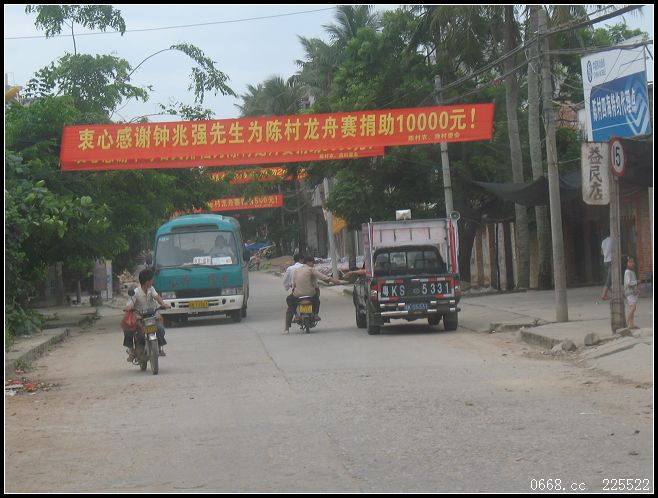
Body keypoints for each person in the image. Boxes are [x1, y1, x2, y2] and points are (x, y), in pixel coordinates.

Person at [284, 255, 341, 334]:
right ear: (307, 262)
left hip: (297, 294)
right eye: (312, 262)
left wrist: (294, 290)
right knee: (317, 300)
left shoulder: (296, 271)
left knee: (289, 299)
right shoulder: (311, 269)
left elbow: (294, 284)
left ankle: (296, 315)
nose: (313, 264)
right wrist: (335, 281)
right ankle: (316, 314)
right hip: (309, 294)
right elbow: (323, 277)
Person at [123, 268, 171, 361]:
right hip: (139, 318)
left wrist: (163, 304)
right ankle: (132, 351)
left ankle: (159, 348)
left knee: (160, 329)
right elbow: (130, 303)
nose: (153, 281)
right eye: (151, 279)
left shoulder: (151, 289)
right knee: (128, 330)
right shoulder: (136, 292)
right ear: (147, 282)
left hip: (152, 316)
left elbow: (157, 297)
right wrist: (128, 307)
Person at [623, 256, 640, 329]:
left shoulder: (632, 272)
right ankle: (626, 322)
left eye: (633, 262)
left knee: (632, 308)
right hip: (629, 293)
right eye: (630, 262)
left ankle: (631, 324)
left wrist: (637, 289)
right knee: (633, 307)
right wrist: (637, 282)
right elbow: (628, 283)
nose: (632, 263)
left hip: (632, 292)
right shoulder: (627, 272)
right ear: (627, 263)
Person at [600, 234, 612, 300]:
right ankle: (604, 294)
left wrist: (606, 253)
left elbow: (602, 252)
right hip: (611, 261)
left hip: (605, 262)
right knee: (609, 279)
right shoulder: (613, 240)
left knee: (610, 278)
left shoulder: (603, 241)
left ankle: (614, 292)